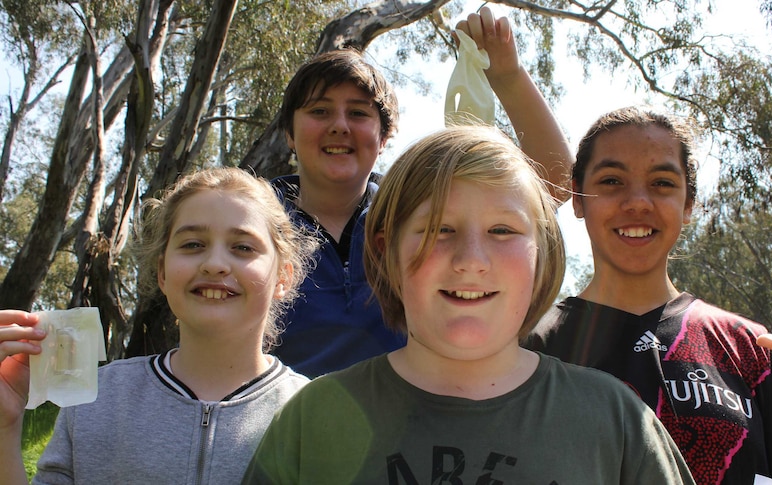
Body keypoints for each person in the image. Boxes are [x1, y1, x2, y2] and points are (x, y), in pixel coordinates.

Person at [242, 125, 695, 483]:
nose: (471, 261)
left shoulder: (616, 423)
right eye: (440, 228)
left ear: (544, 253)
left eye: (502, 231)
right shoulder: (313, 419)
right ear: (384, 250)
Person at [526, 105, 772, 484]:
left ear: (688, 205)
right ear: (578, 200)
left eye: (662, 183)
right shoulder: (529, 348)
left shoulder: (752, 349)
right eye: (611, 181)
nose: (638, 202)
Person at [269, 6, 574, 378]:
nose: (339, 126)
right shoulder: (252, 216)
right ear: (289, 133)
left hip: (411, 421)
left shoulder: (413, 209)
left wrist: (507, 75)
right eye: (319, 111)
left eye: (359, 114)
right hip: (278, 426)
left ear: (384, 138)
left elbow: (553, 182)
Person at [0, 168, 316, 484]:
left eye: (243, 247)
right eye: (193, 244)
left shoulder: (314, 412)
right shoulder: (96, 400)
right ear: (162, 272)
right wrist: (4, 427)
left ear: (283, 277)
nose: (215, 264)